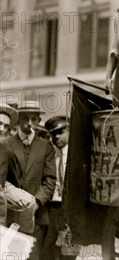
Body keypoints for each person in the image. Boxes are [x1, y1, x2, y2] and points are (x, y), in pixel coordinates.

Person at [0, 100, 56, 260]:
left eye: (33, 119)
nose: (29, 123)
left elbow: (50, 179)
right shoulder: (5, 144)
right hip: (10, 213)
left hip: (37, 213)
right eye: (25, 119)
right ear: (19, 120)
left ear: (38, 121)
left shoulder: (46, 146)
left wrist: (35, 204)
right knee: (9, 255)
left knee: (33, 256)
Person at [41, 115, 77, 260]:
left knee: (69, 251)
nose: (56, 137)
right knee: (49, 249)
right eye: (53, 134)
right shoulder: (50, 156)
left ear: (69, 130)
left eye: (60, 132)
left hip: (70, 208)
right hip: (52, 208)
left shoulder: (76, 156)